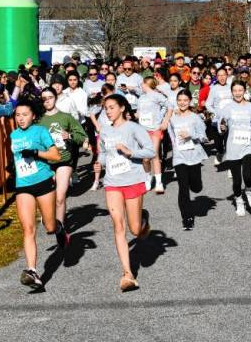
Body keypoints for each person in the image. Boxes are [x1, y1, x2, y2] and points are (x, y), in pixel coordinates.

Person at [93, 94, 154, 292]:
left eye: (111, 107)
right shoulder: (105, 132)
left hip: (133, 180)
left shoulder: (134, 128)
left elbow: (150, 151)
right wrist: (99, 163)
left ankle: (143, 221)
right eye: (106, 108)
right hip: (112, 183)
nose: (108, 111)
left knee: (135, 230)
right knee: (118, 226)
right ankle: (127, 273)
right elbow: (103, 153)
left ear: (122, 108)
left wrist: (130, 153)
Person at [10, 99, 64, 290]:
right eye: (18, 115)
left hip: (43, 182)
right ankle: (32, 271)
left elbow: (56, 156)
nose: (21, 119)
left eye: (25, 115)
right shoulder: (13, 135)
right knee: (28, 228)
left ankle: (59, 230)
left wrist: (35, 152)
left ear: (33, 115)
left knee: (49, 226)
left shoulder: (40, 131)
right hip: (23, 185)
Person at [38, 88, 86, 225]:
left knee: (60, 196)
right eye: (44, 98)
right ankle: (48, 214)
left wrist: (69, 136)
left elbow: (82, 136)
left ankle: (60, 227)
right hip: (45, 162)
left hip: (63, 160)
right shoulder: (39, 120)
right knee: (48, 195)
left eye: (50, 97)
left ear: (56, 98)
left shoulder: (66, 117)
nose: (47, 101)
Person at [217, 80, 251, 216]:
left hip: (248, 146)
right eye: (235, 91)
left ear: (244, 91)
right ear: (232, 92)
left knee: (247, 175)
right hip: (232, 147)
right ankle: (239, 201)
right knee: (237, 180)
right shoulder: (227, 108)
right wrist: (222, 128)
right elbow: (221, 127)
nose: (237, 93)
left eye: (240, 90)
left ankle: (249, 190)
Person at [167, 89, 208, 230]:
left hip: (194, 156)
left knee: (196, 188)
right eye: (180, 100)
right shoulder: (172, 119)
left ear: (189, 101)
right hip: (179, 157)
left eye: (185, 100)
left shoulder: (195, 118)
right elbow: (171, 136)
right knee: (183, 188)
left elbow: (204, 137)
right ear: (177, 101)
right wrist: (175, 147)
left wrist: (190, 134)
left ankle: (196, 183)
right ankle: (187, 217)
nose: (182, 103)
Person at [136, 77, 172, 193]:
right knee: (145, 159)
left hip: (155, 129)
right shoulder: (141, 98)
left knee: (154, 155)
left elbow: (170, 106)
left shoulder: (156, 95)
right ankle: (147, 178)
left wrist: (165, 121)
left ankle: (159, 182)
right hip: (143, 130)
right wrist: (134, 116)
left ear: (147, 84)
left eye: (142, 83)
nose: (141, 85)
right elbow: (139, 113)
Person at [206, 68, 233, 166]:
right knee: (218, 144)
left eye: (224, 75)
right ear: (216, 77)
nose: (222, 77)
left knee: (229, 144)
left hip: (229, 121)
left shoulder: (231, 87)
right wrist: (216, 112)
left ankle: (231, 168)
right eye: (219, 75)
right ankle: (220, 153)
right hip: (217, 121)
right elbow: (208, 104)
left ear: (227, 75)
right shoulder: (213, 88)